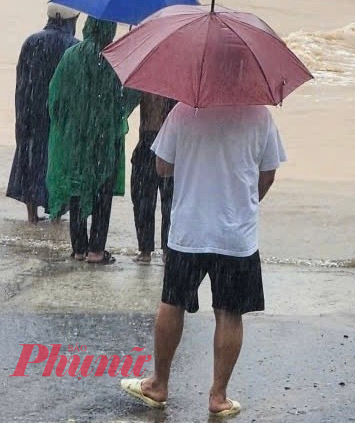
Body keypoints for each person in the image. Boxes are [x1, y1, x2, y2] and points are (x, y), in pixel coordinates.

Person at [120, 102, 286, 417]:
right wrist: (246, 201)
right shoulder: (260, 116)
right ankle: (218, 397)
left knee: (172, 302)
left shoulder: (182, 112)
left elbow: (162, 167)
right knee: (230, 312)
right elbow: (268, 174)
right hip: (236, 235)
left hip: (189, 231)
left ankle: (158, 384)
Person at [45, 17, 140, 264]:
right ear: (110, 29)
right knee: (102, 190)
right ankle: (96, 250)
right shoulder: (116, 59)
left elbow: (55, 99)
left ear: (87, 26)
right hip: (105, 139)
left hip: (76, 140)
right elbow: (130, 96)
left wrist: (69, 124)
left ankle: (78, 248)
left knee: (77, 186)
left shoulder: (70, 57)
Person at [7, 3, 79, 223]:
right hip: (61, 116)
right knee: (58, 161)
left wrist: (21, 116)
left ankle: (32, 215)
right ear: (72, 21)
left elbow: (22, 82)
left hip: (32, 110)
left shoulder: (31, 42)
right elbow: (76, 87)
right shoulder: (74, 46)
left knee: (31, 157)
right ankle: (56, 213)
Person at [130, 93, 176, 264]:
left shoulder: (146, 80)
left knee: (146, 200)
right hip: (168, 142)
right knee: (168, 201)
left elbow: (126, 105)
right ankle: (165, 250)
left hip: (151, 141)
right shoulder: (178, 81)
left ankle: (146, 250)